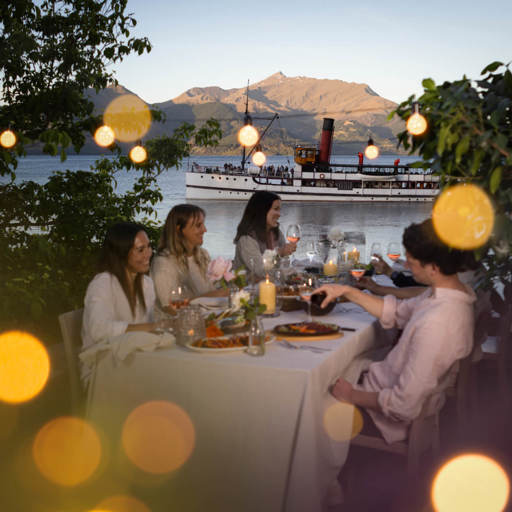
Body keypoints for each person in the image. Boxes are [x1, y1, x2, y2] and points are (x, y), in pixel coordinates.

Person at [315, 219, 476, 443]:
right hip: (380, 386)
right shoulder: (447, 295)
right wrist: (347, 291)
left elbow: (404, 405)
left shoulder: (438, 321)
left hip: (383, 420)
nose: (406, 266)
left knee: (309, 405)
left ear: (433, 267)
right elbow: (397, 311)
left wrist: (351, 394)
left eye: (411, 261)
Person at [81, 221, 160, 349]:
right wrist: (156, 326)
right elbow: (99, 330)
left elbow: (148, 325)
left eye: (149, 246)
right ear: (121, 253)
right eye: (140, 250)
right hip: (104, 359)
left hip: (135, 353)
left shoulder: (146, 283)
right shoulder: (103, 283)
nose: (149, 254)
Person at [151, 204, 225, 311]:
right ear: (179, 229)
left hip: (210, 320)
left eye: (203, 224)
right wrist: (213, 295)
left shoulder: (202, 255)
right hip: (178, 325)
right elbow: (170, 308)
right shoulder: (164, 263)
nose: (205, 230)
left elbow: (216, 288)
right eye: (198, 225)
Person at [233, 191, 296, 280]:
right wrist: (280, 253)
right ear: (262, 210)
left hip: (274, 287)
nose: (279, 214)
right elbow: (261, 271)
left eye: (279, 209)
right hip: (248, 290)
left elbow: (284, 264)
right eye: (275, 209)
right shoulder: (246, 239)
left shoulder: (277, 234)